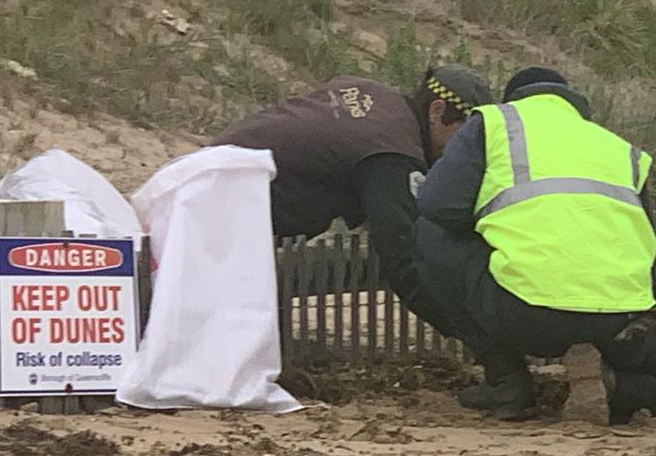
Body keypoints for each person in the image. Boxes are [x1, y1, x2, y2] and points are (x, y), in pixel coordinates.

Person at [411, 67, 656, 424]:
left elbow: (438, 205)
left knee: (429, 233)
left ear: (514, 100)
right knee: (647, 378)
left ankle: (506, 382)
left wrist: (499, 227)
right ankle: (623, 387)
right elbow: (655, 258)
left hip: (527, 314)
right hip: (620, 321)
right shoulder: (619, 148)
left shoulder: (494, 124)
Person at [210, 66, 493, 327]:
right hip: (226, 203)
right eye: (462, 137)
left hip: (210, 171)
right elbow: (403, 256)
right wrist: (479, 338)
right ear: (437, 110)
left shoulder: (372, 93)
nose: (460, 152)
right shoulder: (390, 152)